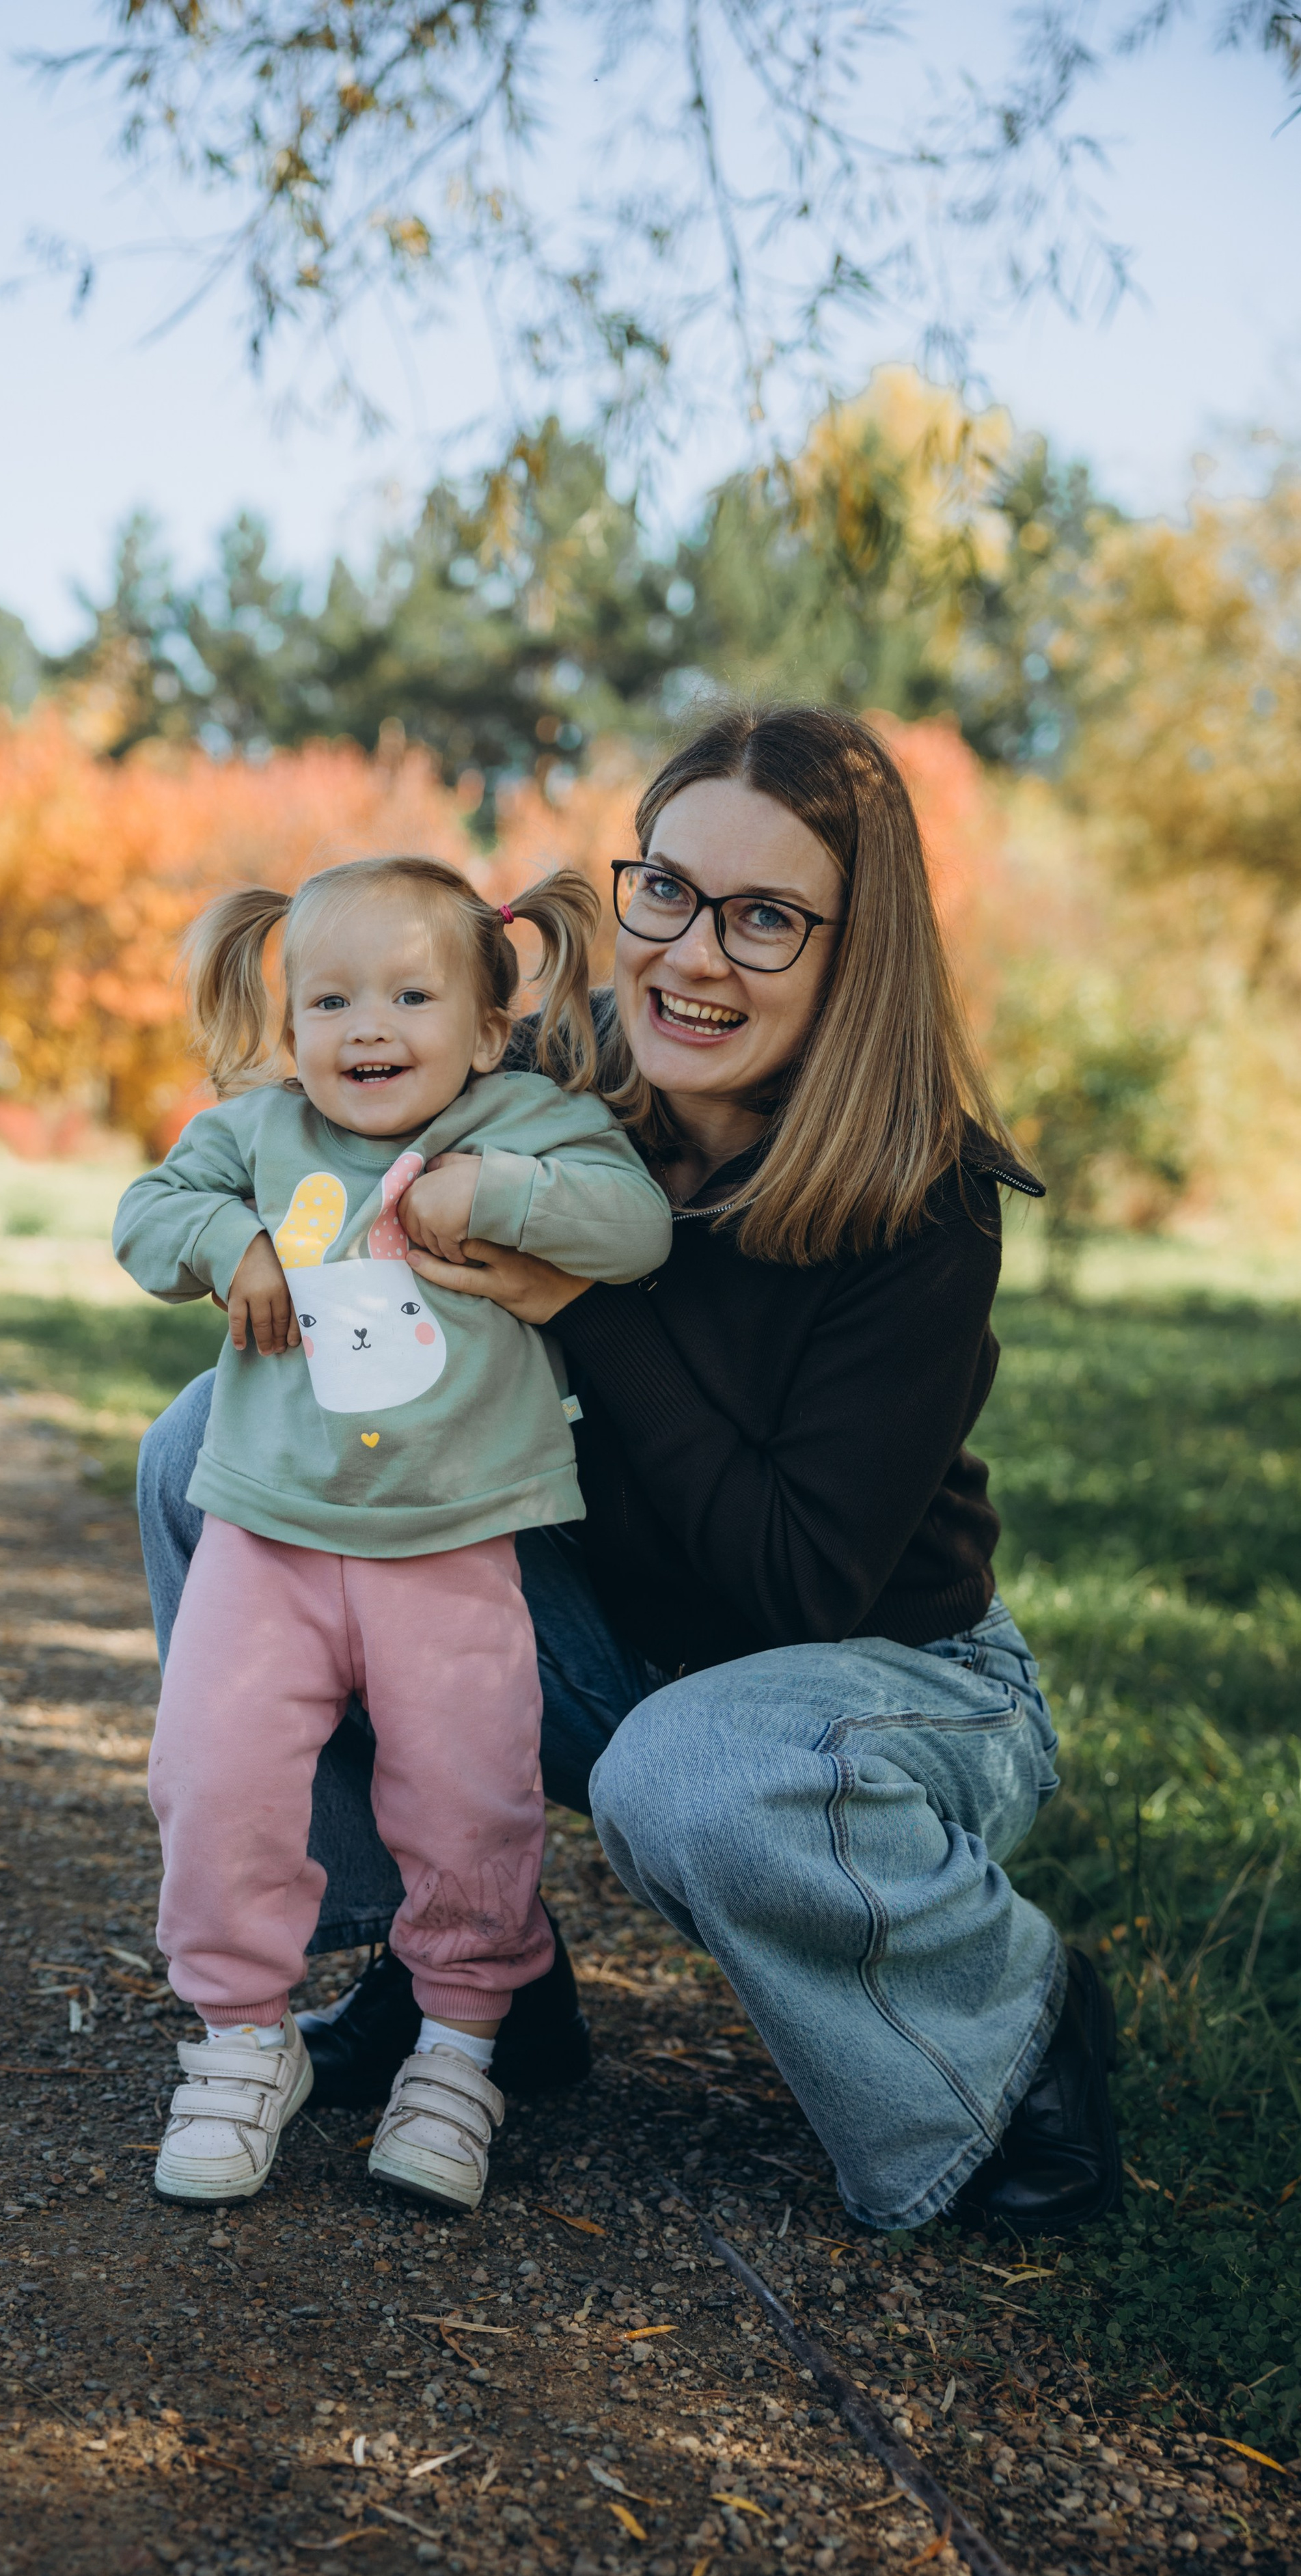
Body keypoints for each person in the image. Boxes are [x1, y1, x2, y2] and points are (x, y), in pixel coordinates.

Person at [139, 708, 1123, 2238]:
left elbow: (794, 1583)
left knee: (687, 1765)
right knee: (210, 1452)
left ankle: (1016, 2037)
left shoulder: (920, 1203)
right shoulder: (549, 1079)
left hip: (874, 1680)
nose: (691, 955)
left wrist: (593, 1306)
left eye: (765, 919)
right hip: (619, 1630)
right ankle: (464, 1970)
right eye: (664, 891)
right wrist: (245, 1240)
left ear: (854, 954)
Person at [115, 855, 672, 2212]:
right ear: (289, 1021)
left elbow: (636, 1226)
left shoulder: (527, 1123)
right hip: (268, 1537)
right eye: (328, 1001)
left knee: (466, 1799)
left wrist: (487, 1195)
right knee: (219, 1775)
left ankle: (458, 2048)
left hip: (457, 1553)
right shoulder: (255, 1133)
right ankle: (244, 2042)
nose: (365, 1028)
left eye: (409, 996)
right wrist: (231, 1248)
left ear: (488, 1024)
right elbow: (145, 1214)